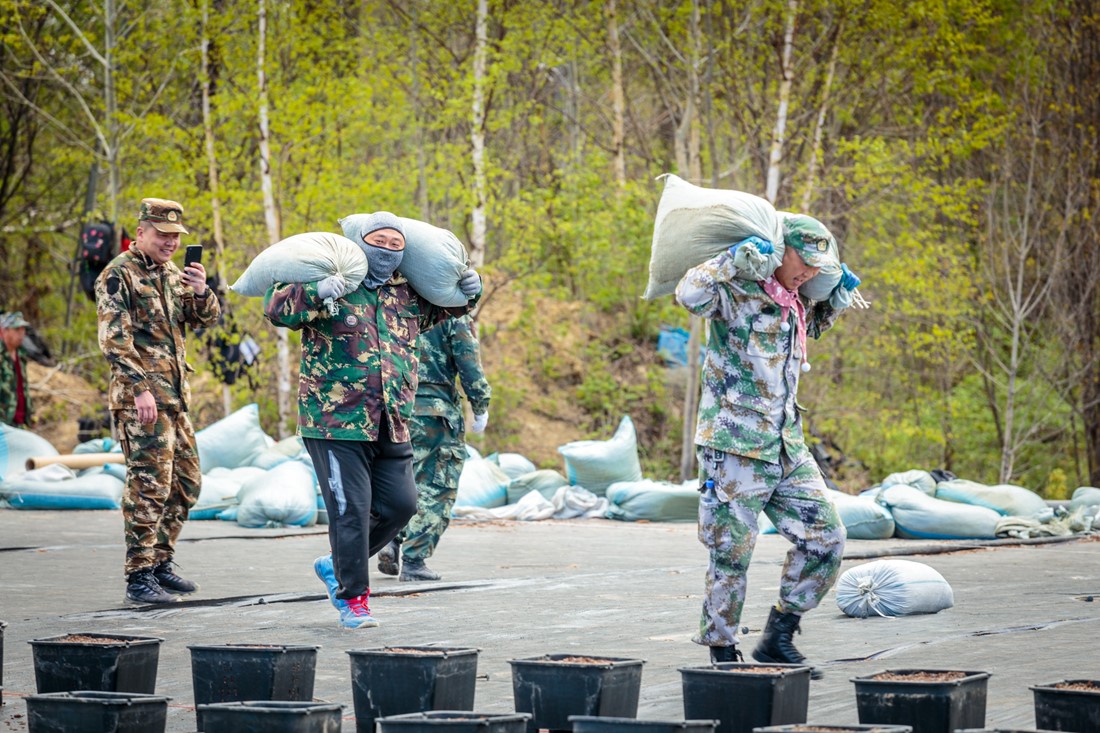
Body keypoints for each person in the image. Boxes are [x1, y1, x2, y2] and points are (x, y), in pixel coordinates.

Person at [264, 211, 482, 629]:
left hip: (391, 419)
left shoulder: (407, 296)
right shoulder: (336, 283)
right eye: (378, 241)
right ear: (360, 243)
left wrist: (471, 291)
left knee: (402, 506)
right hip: (335, 422)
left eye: (395, 245)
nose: (386, 251)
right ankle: (354, 599)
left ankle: (336, 563)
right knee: (352, 510)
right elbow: (277, 310)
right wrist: (317, 292)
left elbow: (450, 307)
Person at [675, 215, 862, 677]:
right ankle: (722, 651)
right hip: (734, 446)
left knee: (827, 538)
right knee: (731, 554)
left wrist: (836, 299)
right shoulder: (736, 292)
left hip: (786, 446)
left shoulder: (796, 302)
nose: (809, 272)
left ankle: (779, 634)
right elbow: (689, 294)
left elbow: (811, 331)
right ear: (781, 252)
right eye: (804, 261)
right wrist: (730, 260)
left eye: (818, 267)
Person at [95, 198, 220, 605]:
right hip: (142, 400)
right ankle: (139, 574)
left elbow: (203, 319)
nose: (170, 242)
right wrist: (139, 388)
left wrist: (201, 291)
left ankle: (161, 561)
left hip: (174, 398)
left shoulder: (171, 274)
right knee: (148, 486)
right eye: (162, 235)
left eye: (175, 237)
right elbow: (114, 340)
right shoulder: (118, 275)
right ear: (141, 232)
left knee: (186, 482)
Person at [377, 313, 491, 582]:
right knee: (436, 486)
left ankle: (391, 539)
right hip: (435, 414)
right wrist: (480, 404)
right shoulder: (451, 313)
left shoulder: (396, 305)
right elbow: (468, 362)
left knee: (402, 481)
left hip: (395, 410)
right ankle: (414, 561)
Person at [0, 311, 34, 427]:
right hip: (4, 423)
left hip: (19, 421)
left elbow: (23, 387)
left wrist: (30, 412)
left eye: (23, 330)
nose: (21, 334)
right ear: (4, 331)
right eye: (16, 330)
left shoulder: (21, 355)